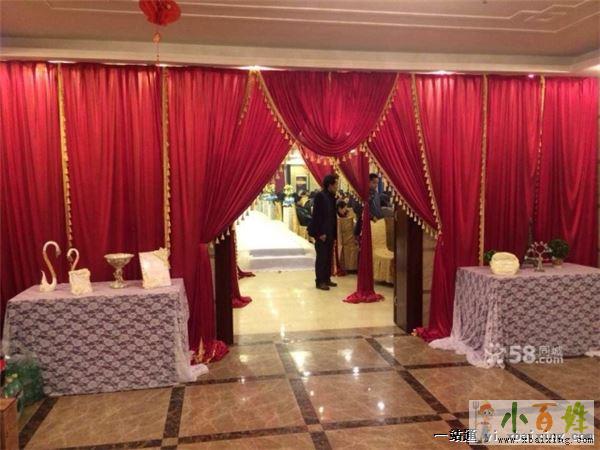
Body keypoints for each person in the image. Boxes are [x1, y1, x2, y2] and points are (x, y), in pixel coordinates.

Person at [307, 174, 338, 290]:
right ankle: (320, 281)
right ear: (330, 185)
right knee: (322, 258)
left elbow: (332, 216)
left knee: (328, 257)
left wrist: (334, 233)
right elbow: (317, 216)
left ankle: (326, 278)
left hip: (330, 232)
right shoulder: (320, 196)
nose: (337, 186)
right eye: (336, 184)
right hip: (322, 233)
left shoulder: (332, 196)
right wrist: (320, 233)